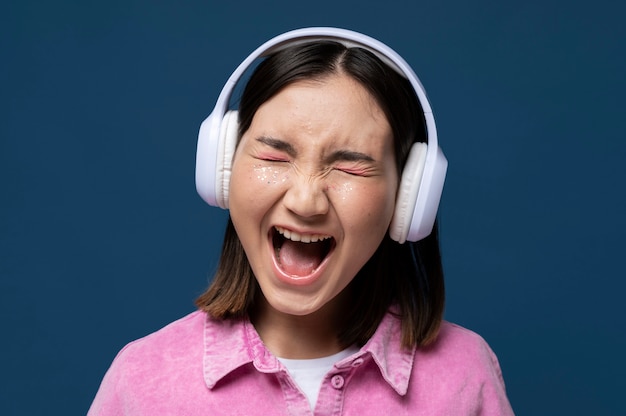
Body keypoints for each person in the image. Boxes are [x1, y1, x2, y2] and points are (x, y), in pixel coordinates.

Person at [87, 27, 514, 415]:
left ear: (408, 199)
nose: (306, 201)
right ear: (221, 169)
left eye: (350, 167)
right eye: (274, 156)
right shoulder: (141, 382)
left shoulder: (465, 374)